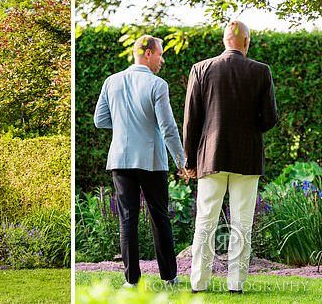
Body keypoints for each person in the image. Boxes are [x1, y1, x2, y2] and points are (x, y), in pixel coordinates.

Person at [183, 20, 278, 293]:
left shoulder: (201, 69)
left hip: (210, 157)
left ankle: (199, 282)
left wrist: (190, 161)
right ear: (246, 41)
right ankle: (235, 284)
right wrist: (251, 128)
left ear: (225, 40)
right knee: (242, 222)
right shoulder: (262, 71)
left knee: (205, 220)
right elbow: (270, 118)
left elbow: (191, 121)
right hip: (247, 157)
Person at [94, 35, 185, 288]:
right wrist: (181, 161)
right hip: (152, 160)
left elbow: (100, 120)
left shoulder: (111, 81)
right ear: (147, 54)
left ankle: (131, 282)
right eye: (160, 54)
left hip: (120, 159)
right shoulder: (158, 85)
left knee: (127, 218)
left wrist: (124, 125)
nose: (162, 59)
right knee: (159, 217)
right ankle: (169, 278)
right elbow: (168, 128)